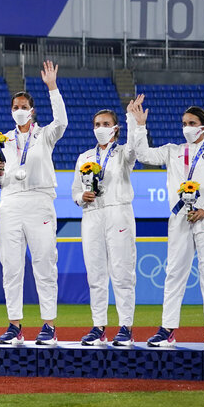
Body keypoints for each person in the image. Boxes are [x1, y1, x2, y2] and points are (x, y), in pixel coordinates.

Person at [127, 95, 204, 349]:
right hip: (179, 220)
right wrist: (138, 124)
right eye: (184, 122)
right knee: (174, 274)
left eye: (192, 122)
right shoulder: (173, 151)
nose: (186, 127)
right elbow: (143, 154)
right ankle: (167, 329)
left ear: (203, 126)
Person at [0, 61, 66, 346]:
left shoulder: (44, 135)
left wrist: (52, 88)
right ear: (11, 111)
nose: (19, 110)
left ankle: (48, 325)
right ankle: (14, 324)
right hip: (10, 202)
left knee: (44, 261)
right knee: (10, 265)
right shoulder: (1, 140)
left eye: (23, 105)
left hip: (39, 200)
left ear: (32, 110)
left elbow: (62, 123)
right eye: (15, 106)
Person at [71, 109, 138, 347]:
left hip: (117, 211)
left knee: (122, 273)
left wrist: (133, 120)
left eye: (106, 123)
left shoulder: (123, 154)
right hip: (91, 214)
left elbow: (134, 148)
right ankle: (99, 326)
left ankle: (126, 327)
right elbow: (74, 192)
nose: (100, 127)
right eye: (97, 123)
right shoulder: (84, 157)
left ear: (115, 128)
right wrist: (82, 196)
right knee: (96, 275)